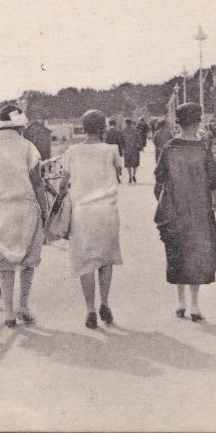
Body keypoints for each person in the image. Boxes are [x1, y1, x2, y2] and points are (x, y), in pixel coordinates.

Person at [0, 105, 49, 327]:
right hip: (25, 209)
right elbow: (37, 183)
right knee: (28, 261)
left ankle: (8, 313)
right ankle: (23, 305)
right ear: (20, 124)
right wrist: (44, 211)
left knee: (4, 264)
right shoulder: (27, 147)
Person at [154, 103, 216, 322]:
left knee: (177, 252)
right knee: (196, 255)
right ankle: (194, 305)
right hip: (200, 211)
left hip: (175, 209)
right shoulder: (202, 148)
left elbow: (159, 176)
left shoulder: (169, 147)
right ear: (197, 122)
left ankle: (180, 301)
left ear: (178, 123)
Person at [57, 110, 124, 329]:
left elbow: (63, 184)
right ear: (103, 128)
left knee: (86, 262)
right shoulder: (111, 150)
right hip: (106, 211)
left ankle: (90, 310)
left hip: (82, 213)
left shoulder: (72, 151)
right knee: (105, 260)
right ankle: (105, 303)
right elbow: (118, 172)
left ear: (83, 128)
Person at [122, 118, 142, 183]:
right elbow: (139, 140)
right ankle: (134, 175)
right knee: (135, 164)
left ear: (125, 123)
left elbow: (121, 141)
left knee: (128, 164)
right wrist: (140, 146)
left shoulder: (123, 131)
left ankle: (130, 176)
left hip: (127, 150)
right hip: (134, 149)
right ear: (131, 123)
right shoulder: (135, 130)